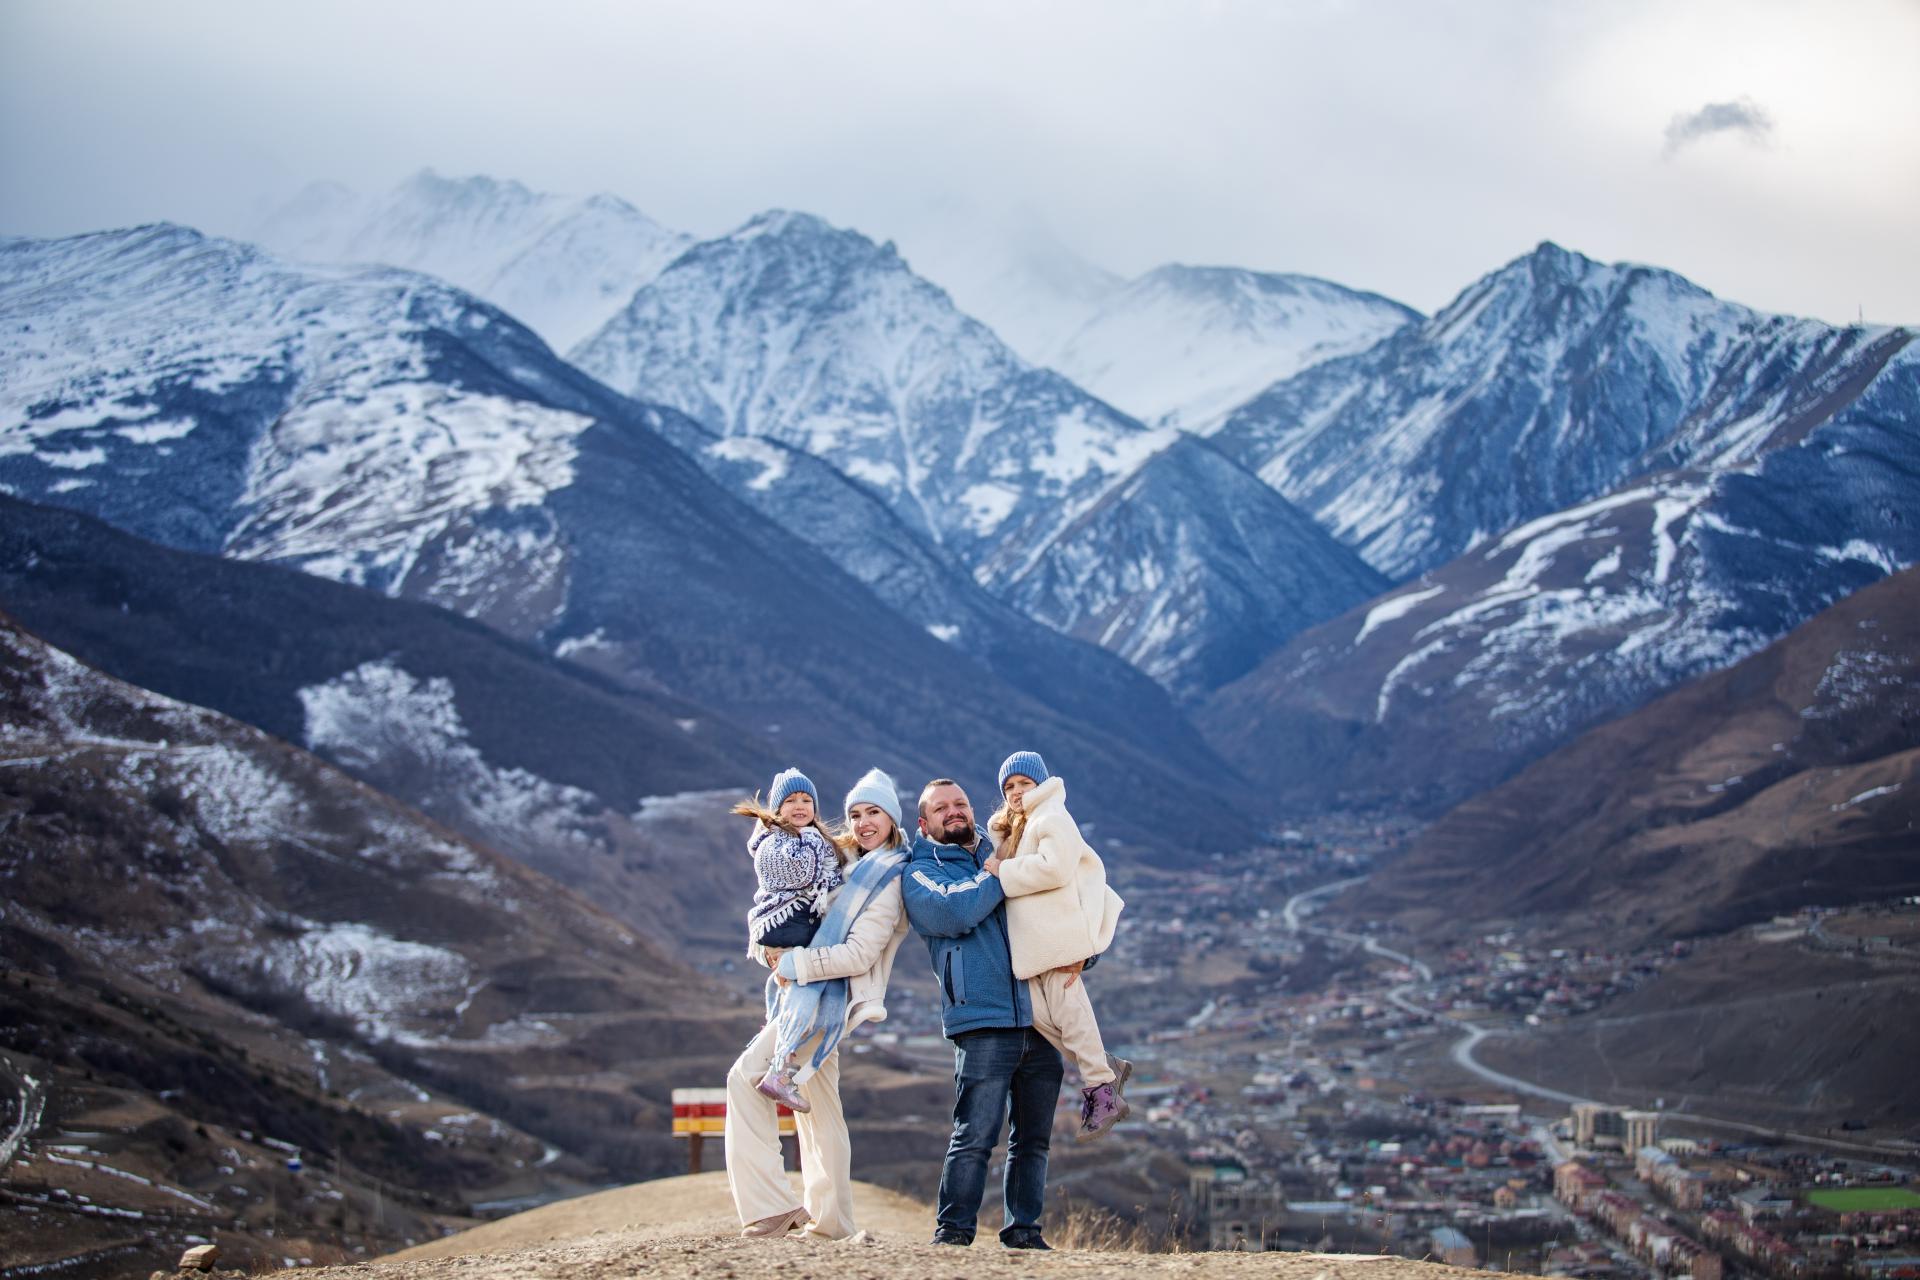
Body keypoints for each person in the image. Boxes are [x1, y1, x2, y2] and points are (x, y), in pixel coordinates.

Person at [725, 769, 913, 1239]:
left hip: (829, 998)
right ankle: (832, 1223)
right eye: (855, 813)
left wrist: (791, 965)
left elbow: (859, 954)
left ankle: (770, 1207)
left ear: (892, 817)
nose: (864, 822)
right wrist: (767, 949)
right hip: (809, 995)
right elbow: (780, 901)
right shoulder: (838, 855)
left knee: (746, 1077)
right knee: (819, 1105)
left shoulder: (889, 875)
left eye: (874, 812)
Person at [901, 776, 1064, 1250]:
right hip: (982, 1022)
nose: (954, 811)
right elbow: (955, 913)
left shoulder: (1008, 852)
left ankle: (1024, 1232)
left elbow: (1053, 908)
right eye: (941, 808)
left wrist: (1079, 951)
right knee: (974, 1136)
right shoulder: (920, 872)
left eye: (961, 803)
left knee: (1033, 1141)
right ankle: (953, 1233)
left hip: (1040, 1017)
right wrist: (1002, 870)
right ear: (923, 822)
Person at [985, 750, 1130, 1142]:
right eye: (1009, 786)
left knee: (1069, 1007)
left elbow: (1056, 868)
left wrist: (1004, 870)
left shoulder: (1051, 816)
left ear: (1040, 784)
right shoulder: (1020, 826)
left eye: (1024, 784)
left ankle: (1102, 1087)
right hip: (1035, 944)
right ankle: (1104, 1066)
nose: (1016, 792)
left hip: (1058, 937)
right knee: (1033, 1011)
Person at [731, 767, 844, 1110]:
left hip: (798, 924)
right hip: (782, 923)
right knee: (804, 989)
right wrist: (810, 840)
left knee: (791, 987)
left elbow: (831, 876)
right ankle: (780, 1068)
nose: (800, 806)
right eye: (791, 800)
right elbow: (797, 874)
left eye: (806, 800)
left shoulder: (812, 839)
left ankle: (773, 1040)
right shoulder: (772, 840)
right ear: (777, 808)